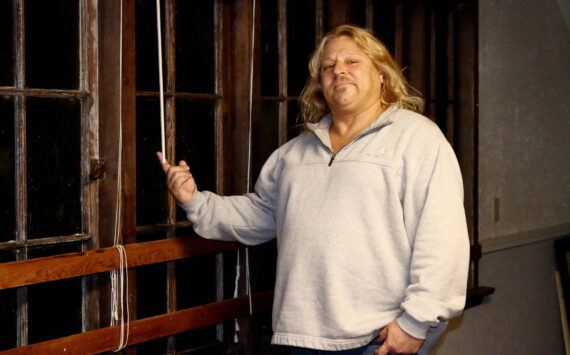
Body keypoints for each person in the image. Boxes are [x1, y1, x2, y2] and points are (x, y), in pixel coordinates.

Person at [158, 25, 469, 355]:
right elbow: (262, 214)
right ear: (319, 83)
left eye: (352, 61)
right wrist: (194, 199)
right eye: (328, 65)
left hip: (381, 336)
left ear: (381, 74)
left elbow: (442, 238)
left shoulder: (418, 139)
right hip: (305, 335)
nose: (339, 71)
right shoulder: (293, 153)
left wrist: (415, 323)